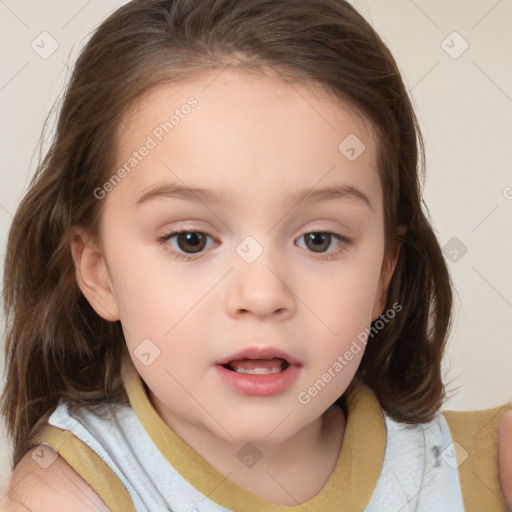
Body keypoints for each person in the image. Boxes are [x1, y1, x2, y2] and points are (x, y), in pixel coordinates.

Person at [1, 0, 511, 510]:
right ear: (99, 273)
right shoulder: (66, 493)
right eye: (191, 240)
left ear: (383, 272)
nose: (262, 295)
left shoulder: (488, 466)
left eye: (319, 239)